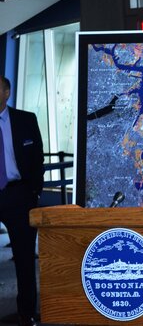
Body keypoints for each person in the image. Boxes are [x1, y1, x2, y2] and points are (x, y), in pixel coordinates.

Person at [0, 76, 43, 326]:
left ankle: (26, 312)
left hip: (18, 195)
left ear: (7, 93)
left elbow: (37, 159)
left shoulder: (26, 120)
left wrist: (33, 193)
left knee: (25, 257)